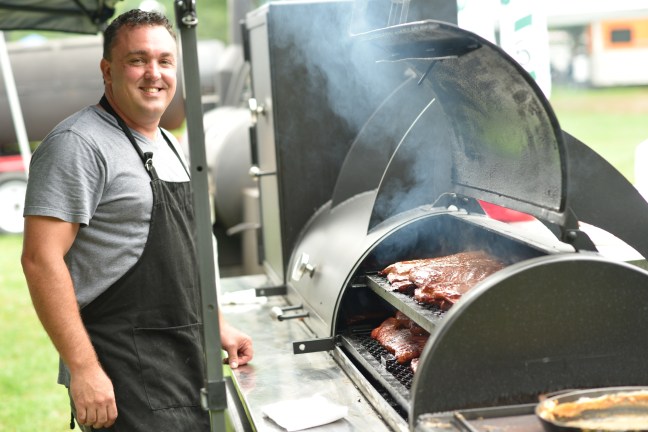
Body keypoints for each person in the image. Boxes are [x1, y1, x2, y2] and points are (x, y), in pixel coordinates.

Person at [21, 9, 253, 431]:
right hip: (122, 372)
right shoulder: (77, 145)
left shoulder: (169, 142)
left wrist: (216, 323)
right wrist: (83, 370)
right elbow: (40, 260)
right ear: (107, 70)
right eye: (137, 60)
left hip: (183, 360)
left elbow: (187, 252)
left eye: (165, 61)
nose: (154, 73)